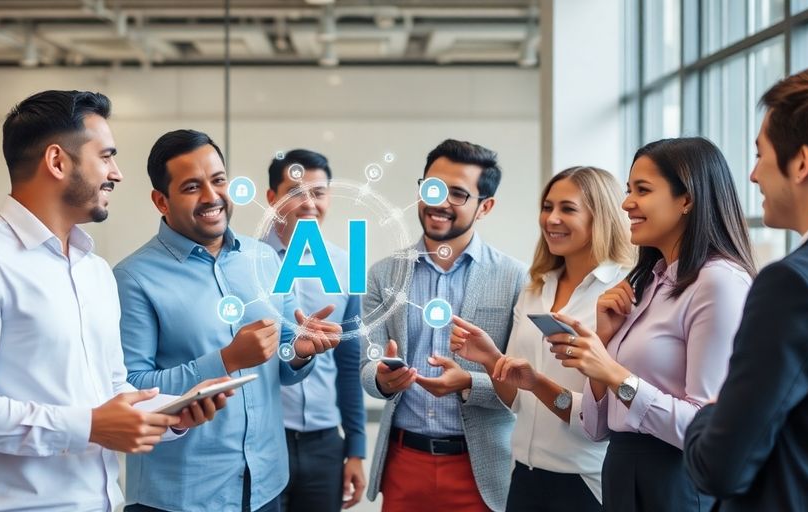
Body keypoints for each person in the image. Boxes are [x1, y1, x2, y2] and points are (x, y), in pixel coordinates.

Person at [0, 91, 229, 512]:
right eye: (106, 157)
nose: (117, 174)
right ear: (57, 161)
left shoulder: (95, 271)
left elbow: (112, 389)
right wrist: (88, 426)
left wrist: (172, 412)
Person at [115, 130, 343, 512]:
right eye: (192, 187)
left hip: (265, 484)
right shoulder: (133, 278)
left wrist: (299, 351)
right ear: (161, 200)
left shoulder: (264, 260)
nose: (212, 196)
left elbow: (284, 364)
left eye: (218, 180)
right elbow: (131, 390)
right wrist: (227, 360)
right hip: (181, 497)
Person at [545, 137, 756, 511]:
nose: (626, 203)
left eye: (642, 190)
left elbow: (704, 428)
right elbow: (595, 428)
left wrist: (613, 372)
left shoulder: (718, 283)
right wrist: (603, 341)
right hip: (623, 472)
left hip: (676, 481)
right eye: (629, 190)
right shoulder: (648, 282)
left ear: (687, 199)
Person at [683, 67, 808, 511]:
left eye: (759, 154)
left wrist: (710, 413)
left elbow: (719, 467)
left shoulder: (792, 284)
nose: (752, 176)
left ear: (802, 163)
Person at [450, 166, 633, 511]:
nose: (551, 219)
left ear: (601, 216)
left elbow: (602, 416)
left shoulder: (622, 292)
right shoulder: (535, 287)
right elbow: (517, 400)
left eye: (568, 208)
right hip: (525, 475)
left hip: (586, 481)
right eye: (547, 207)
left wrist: (537, 384)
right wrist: (490, 359)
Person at [360, 139, 527, 512]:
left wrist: (469, 383)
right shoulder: (383, 274)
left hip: (480, 468)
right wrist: (382, 379)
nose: (440, 202)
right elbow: (367, 366)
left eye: (458, 194)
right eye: (433, 188)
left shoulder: (515, 278)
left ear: (485, 207)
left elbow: (522, 384)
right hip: (404, 463)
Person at [264, 149, 366, 511]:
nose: (309, 203)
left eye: (318, 193)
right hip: (262, 440)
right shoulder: (244, 263)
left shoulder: (347, 266)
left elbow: (350, 363)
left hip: (325, 445)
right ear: (272, 199)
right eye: (295, 193)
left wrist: (356, 448)